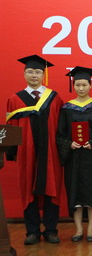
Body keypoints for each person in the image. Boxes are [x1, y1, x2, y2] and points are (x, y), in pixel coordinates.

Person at [6, 55, 63, 245]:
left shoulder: (54, 98)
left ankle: (51, 230)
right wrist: (13, 153)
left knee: (51, 188)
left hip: (51, 153)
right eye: (30, 72)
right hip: (27, 153)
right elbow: (11, 128)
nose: (34, 75)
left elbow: (61, 127)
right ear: (24, 74)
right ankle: (32, 231)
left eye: (38, 72)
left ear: (43, 75)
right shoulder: (15, 99)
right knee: (28, 188)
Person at [56, 67, 92, 242]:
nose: (81, 88)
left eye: (84, 85)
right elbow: (60, 135)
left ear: (91, 86)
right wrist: (69, 144)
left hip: (91, 157)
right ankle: (78, 229)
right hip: (74, 158)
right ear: (73, 86)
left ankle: (91, 229)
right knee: (75, 192)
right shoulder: (66, 108)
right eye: (78, 85)